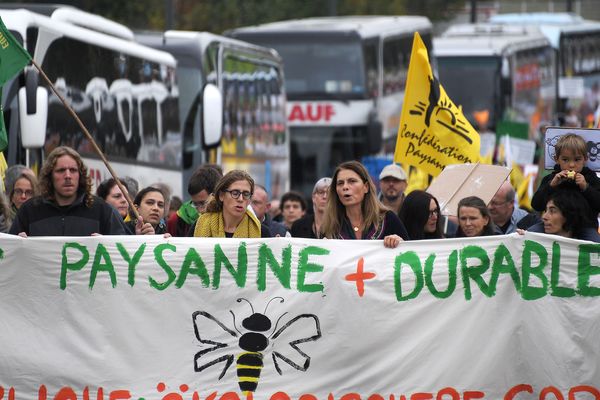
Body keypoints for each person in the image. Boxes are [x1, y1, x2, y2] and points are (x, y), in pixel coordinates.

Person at [9, 146, 126, 236]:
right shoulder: (29, 211)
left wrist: (109, 244)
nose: (68, 175)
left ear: (80, 175)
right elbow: (7, 254)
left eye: (73, 170)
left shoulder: (102, 211)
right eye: (61, 170)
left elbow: (124, 251)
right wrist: (17, 244)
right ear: (50, 175)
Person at [321, 160, 409, 248]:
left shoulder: (388, 219)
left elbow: (411, 255)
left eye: (352, 181)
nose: (345, 187)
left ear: (366, 187)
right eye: (340, 183)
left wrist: (400, 243)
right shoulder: (329, 226)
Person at [531, 133, 600, 240]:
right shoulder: (551, 179)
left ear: (585, 158)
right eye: (565, 160)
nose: (571, 165)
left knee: (596, 245)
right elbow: (536, 205)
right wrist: (551, 186)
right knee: (531, 234)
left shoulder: (592, 179)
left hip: (584, 227)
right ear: (556, 159)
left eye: (577, 160)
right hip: (552, 225)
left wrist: (586, 188)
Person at [193, 170, 271, 238]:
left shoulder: (262, 232)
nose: (240, 199)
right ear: (221, 195)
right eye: (235, 193)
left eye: (246, 194)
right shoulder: (200, 224)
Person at [518, 190, 600, 242]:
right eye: (546, 211)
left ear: (569, 215)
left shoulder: (588, 253)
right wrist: (520, 241)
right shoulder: (533, 241)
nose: (544, 217)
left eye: (552, 211)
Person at [168, 164, 223, 237]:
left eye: (203, 203)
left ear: (217, 196)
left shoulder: (229, 219)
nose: (200, 210)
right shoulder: (176, 220)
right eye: (195, 204)